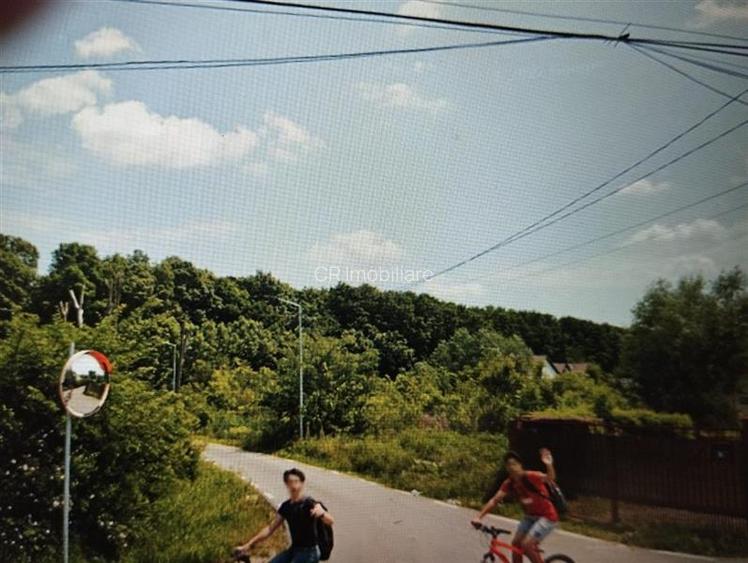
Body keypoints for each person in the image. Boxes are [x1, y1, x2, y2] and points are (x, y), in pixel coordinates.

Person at [471, 448, 558, 563]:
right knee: (516, 544)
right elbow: (495, 500)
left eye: (514, 464)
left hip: (547, 517)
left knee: (527, 545)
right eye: (508, 465)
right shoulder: (509, 483)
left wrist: (549, 464)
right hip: (530, 517)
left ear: (520, 465)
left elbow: (550, 478)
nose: (511, 467)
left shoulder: (531, 476)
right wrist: (479, 517)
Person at [233, 468, 334, 563]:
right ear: (286, 484)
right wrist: (248, 545)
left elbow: (330, 521)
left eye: (296, 481)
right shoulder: (286, 506)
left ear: (302, 483)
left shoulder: (309, 503)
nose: (294, 485)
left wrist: (322, 513)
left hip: (310, 552)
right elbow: (270, 528)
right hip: (294, 549)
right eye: (290, 482)